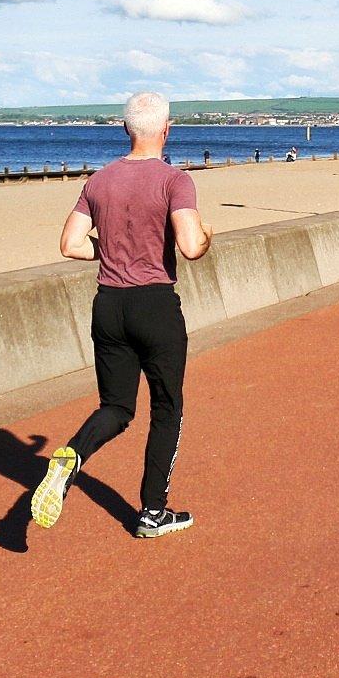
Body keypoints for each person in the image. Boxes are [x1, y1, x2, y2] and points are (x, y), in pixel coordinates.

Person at [31, 91, 213, 539]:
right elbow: (190, 248)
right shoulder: (175, 180)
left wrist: (108, 250)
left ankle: (72, 455)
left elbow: (71, 245)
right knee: (167, 407)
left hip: (108, 305)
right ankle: (153, 513)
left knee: (115, 407)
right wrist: (209, 233)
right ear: (168, 130)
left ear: (125, 130)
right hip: (154, 304)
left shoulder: (99, 181)